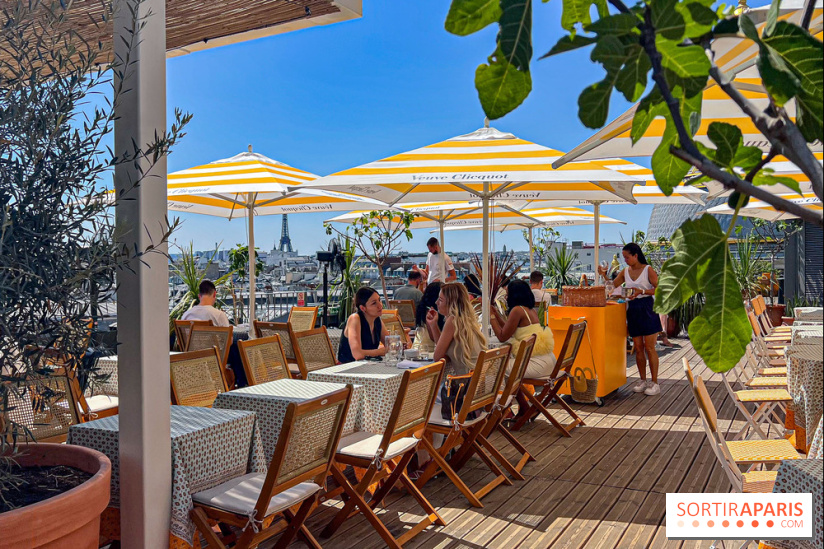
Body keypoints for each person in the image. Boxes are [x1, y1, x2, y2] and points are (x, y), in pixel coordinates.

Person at [600, 243, 662, 396]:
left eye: (627, 257)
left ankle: (654, 382)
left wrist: (641, 290)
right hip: (633, 308)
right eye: (624, 257)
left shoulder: (648, 270)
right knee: (638, 347)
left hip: (647, 307)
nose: (625, 260)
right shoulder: (625, 271)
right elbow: (611, 287)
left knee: (650, 347)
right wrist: (603, 274)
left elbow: (660, 288)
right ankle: (643, 380)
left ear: (636, 255)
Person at [425, 282, 486, 376]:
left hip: (466, 384)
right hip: (478, 381)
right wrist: (433, 325)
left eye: (440, 300)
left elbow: (437, 357)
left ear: (451, 303)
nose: (436, 302)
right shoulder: (466, 320)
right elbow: (442, 351)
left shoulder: (453, 320)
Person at [338, 287, 390, 363]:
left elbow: (390, 344)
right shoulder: (355, 319)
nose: (380, 305)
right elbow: (357, 354)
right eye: (374, 303)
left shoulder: (377, 320)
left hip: (369, 366)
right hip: (348, 368)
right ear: (363, 308)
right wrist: (381, 351)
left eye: (379, 300)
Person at [413, 282, 443, 352]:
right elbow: (433, 338)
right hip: (427, 352)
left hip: (418, 348)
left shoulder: (422, 308)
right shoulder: (431, 313)